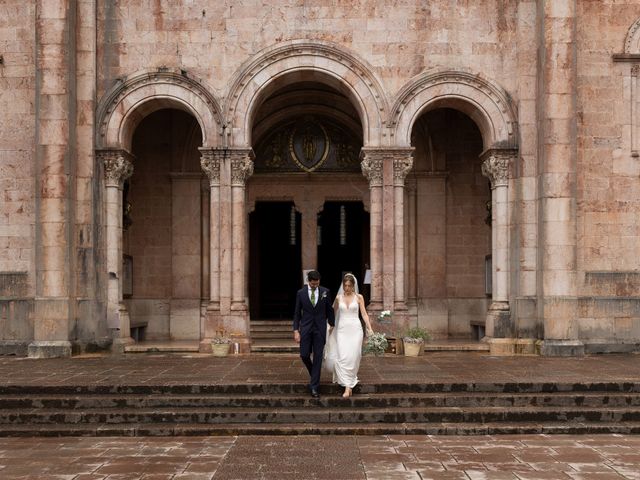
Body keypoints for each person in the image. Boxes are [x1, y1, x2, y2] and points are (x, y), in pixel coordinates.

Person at [324, 273, 374, 398]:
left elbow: (364, 314)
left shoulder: (359, 297)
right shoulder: (338, 298)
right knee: (343, 356)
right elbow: (333, 313)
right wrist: (330, 327)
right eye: (345, 285)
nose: (347, 288)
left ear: (353, 286)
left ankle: (348, 386)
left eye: (349, 286)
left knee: (354, 356)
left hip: (355, 329)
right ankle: (348, 386)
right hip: (342, 330)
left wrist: (370, 328)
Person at [293, 270, 335, 398]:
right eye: (313, 284)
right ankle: (314, 375)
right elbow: (296, 313)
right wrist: (296, 330)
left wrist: (332, 325)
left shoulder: (325, 292)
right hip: (305, 328)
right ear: (308, 281)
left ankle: (314, 387)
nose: (315, 285)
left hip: (320, 329)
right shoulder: (300, 293)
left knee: (317, 357)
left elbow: (330, 310)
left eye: (317, 283)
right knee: (304, 355)